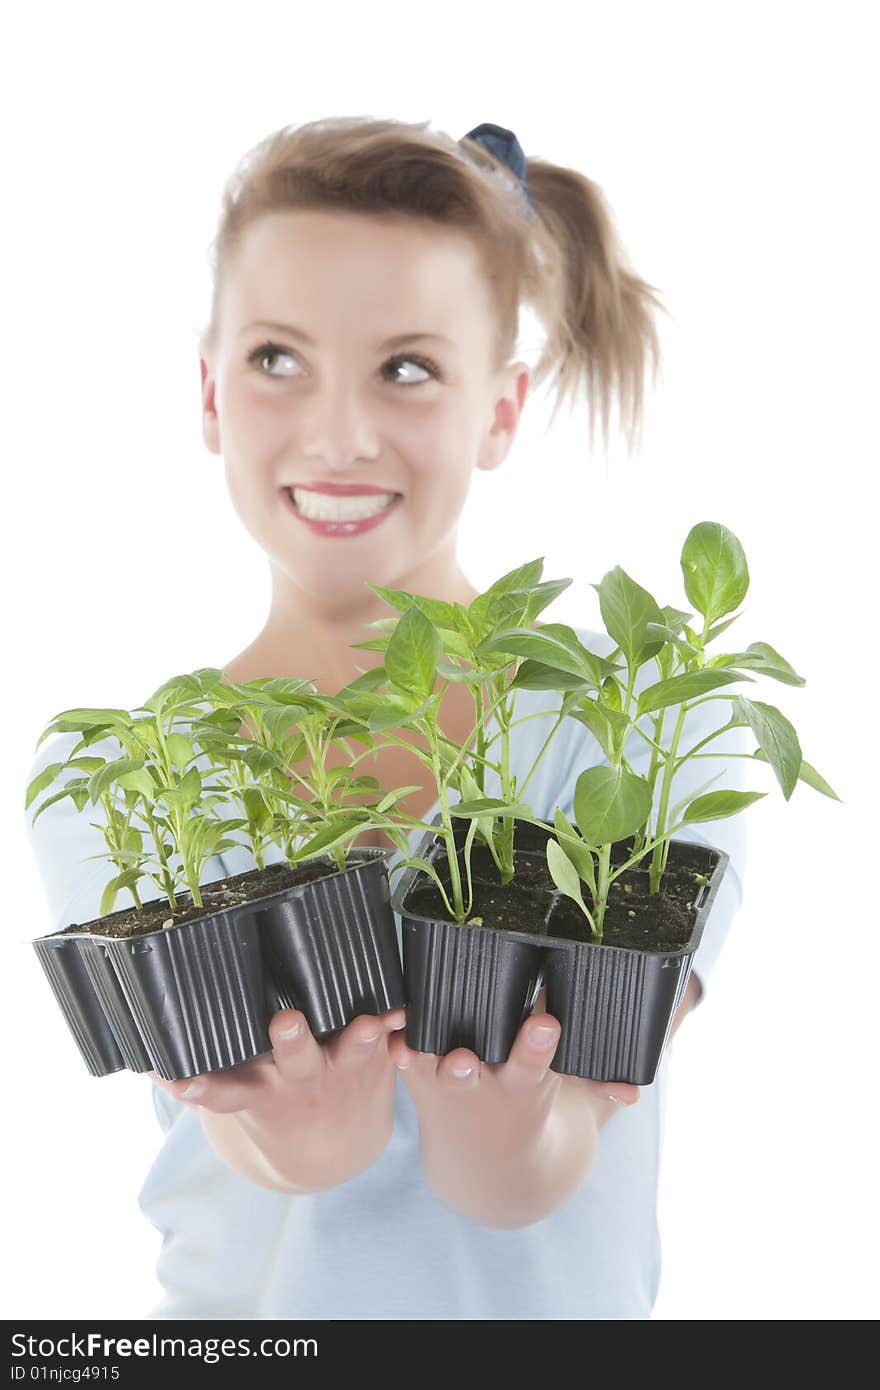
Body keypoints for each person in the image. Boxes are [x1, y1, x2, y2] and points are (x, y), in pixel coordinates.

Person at [25, 115, 749, 1319]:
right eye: (275, 358)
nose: (339, 434)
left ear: (501, 410)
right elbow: (251, 1147)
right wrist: (305, 1131)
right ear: (208, 388)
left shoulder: (634, 722)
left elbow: (557, 1148)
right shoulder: (117, 766)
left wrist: (506, 1124)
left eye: (406, 367)